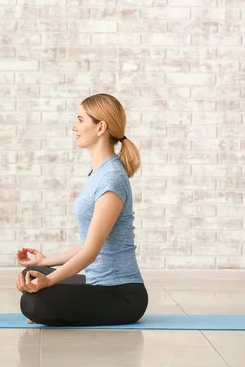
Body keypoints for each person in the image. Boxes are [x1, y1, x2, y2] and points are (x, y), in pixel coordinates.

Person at [15, 93, 148, 326]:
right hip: (96, 284)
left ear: (100, 127)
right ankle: (54, 303)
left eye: (80, 120)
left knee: (34, 302)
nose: (74, 126)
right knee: (33, 274)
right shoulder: (98, 174)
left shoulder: (112, 178)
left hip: (123, 294)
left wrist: (48, 284)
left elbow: (90, 252)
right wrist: (46, 262)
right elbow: (90, 241)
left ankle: (50, 306)